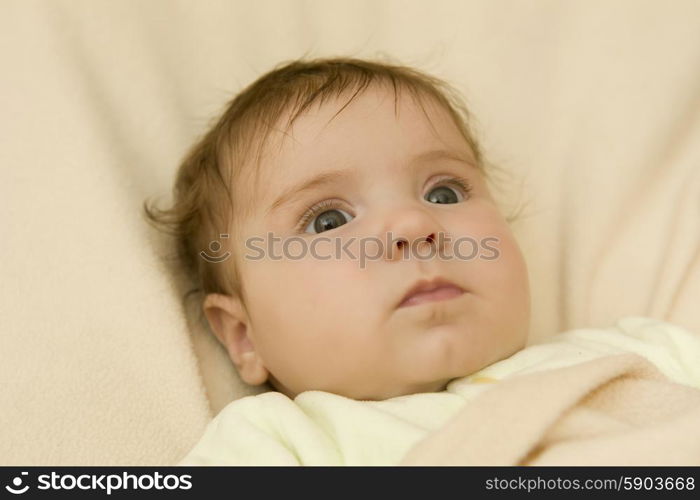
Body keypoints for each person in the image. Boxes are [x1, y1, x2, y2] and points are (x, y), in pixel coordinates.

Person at [143, 57, 700, 465]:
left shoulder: (637, 353)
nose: (415, 226)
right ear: (244, 336)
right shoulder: (284, 443)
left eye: (444, 194)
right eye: (329, 221)